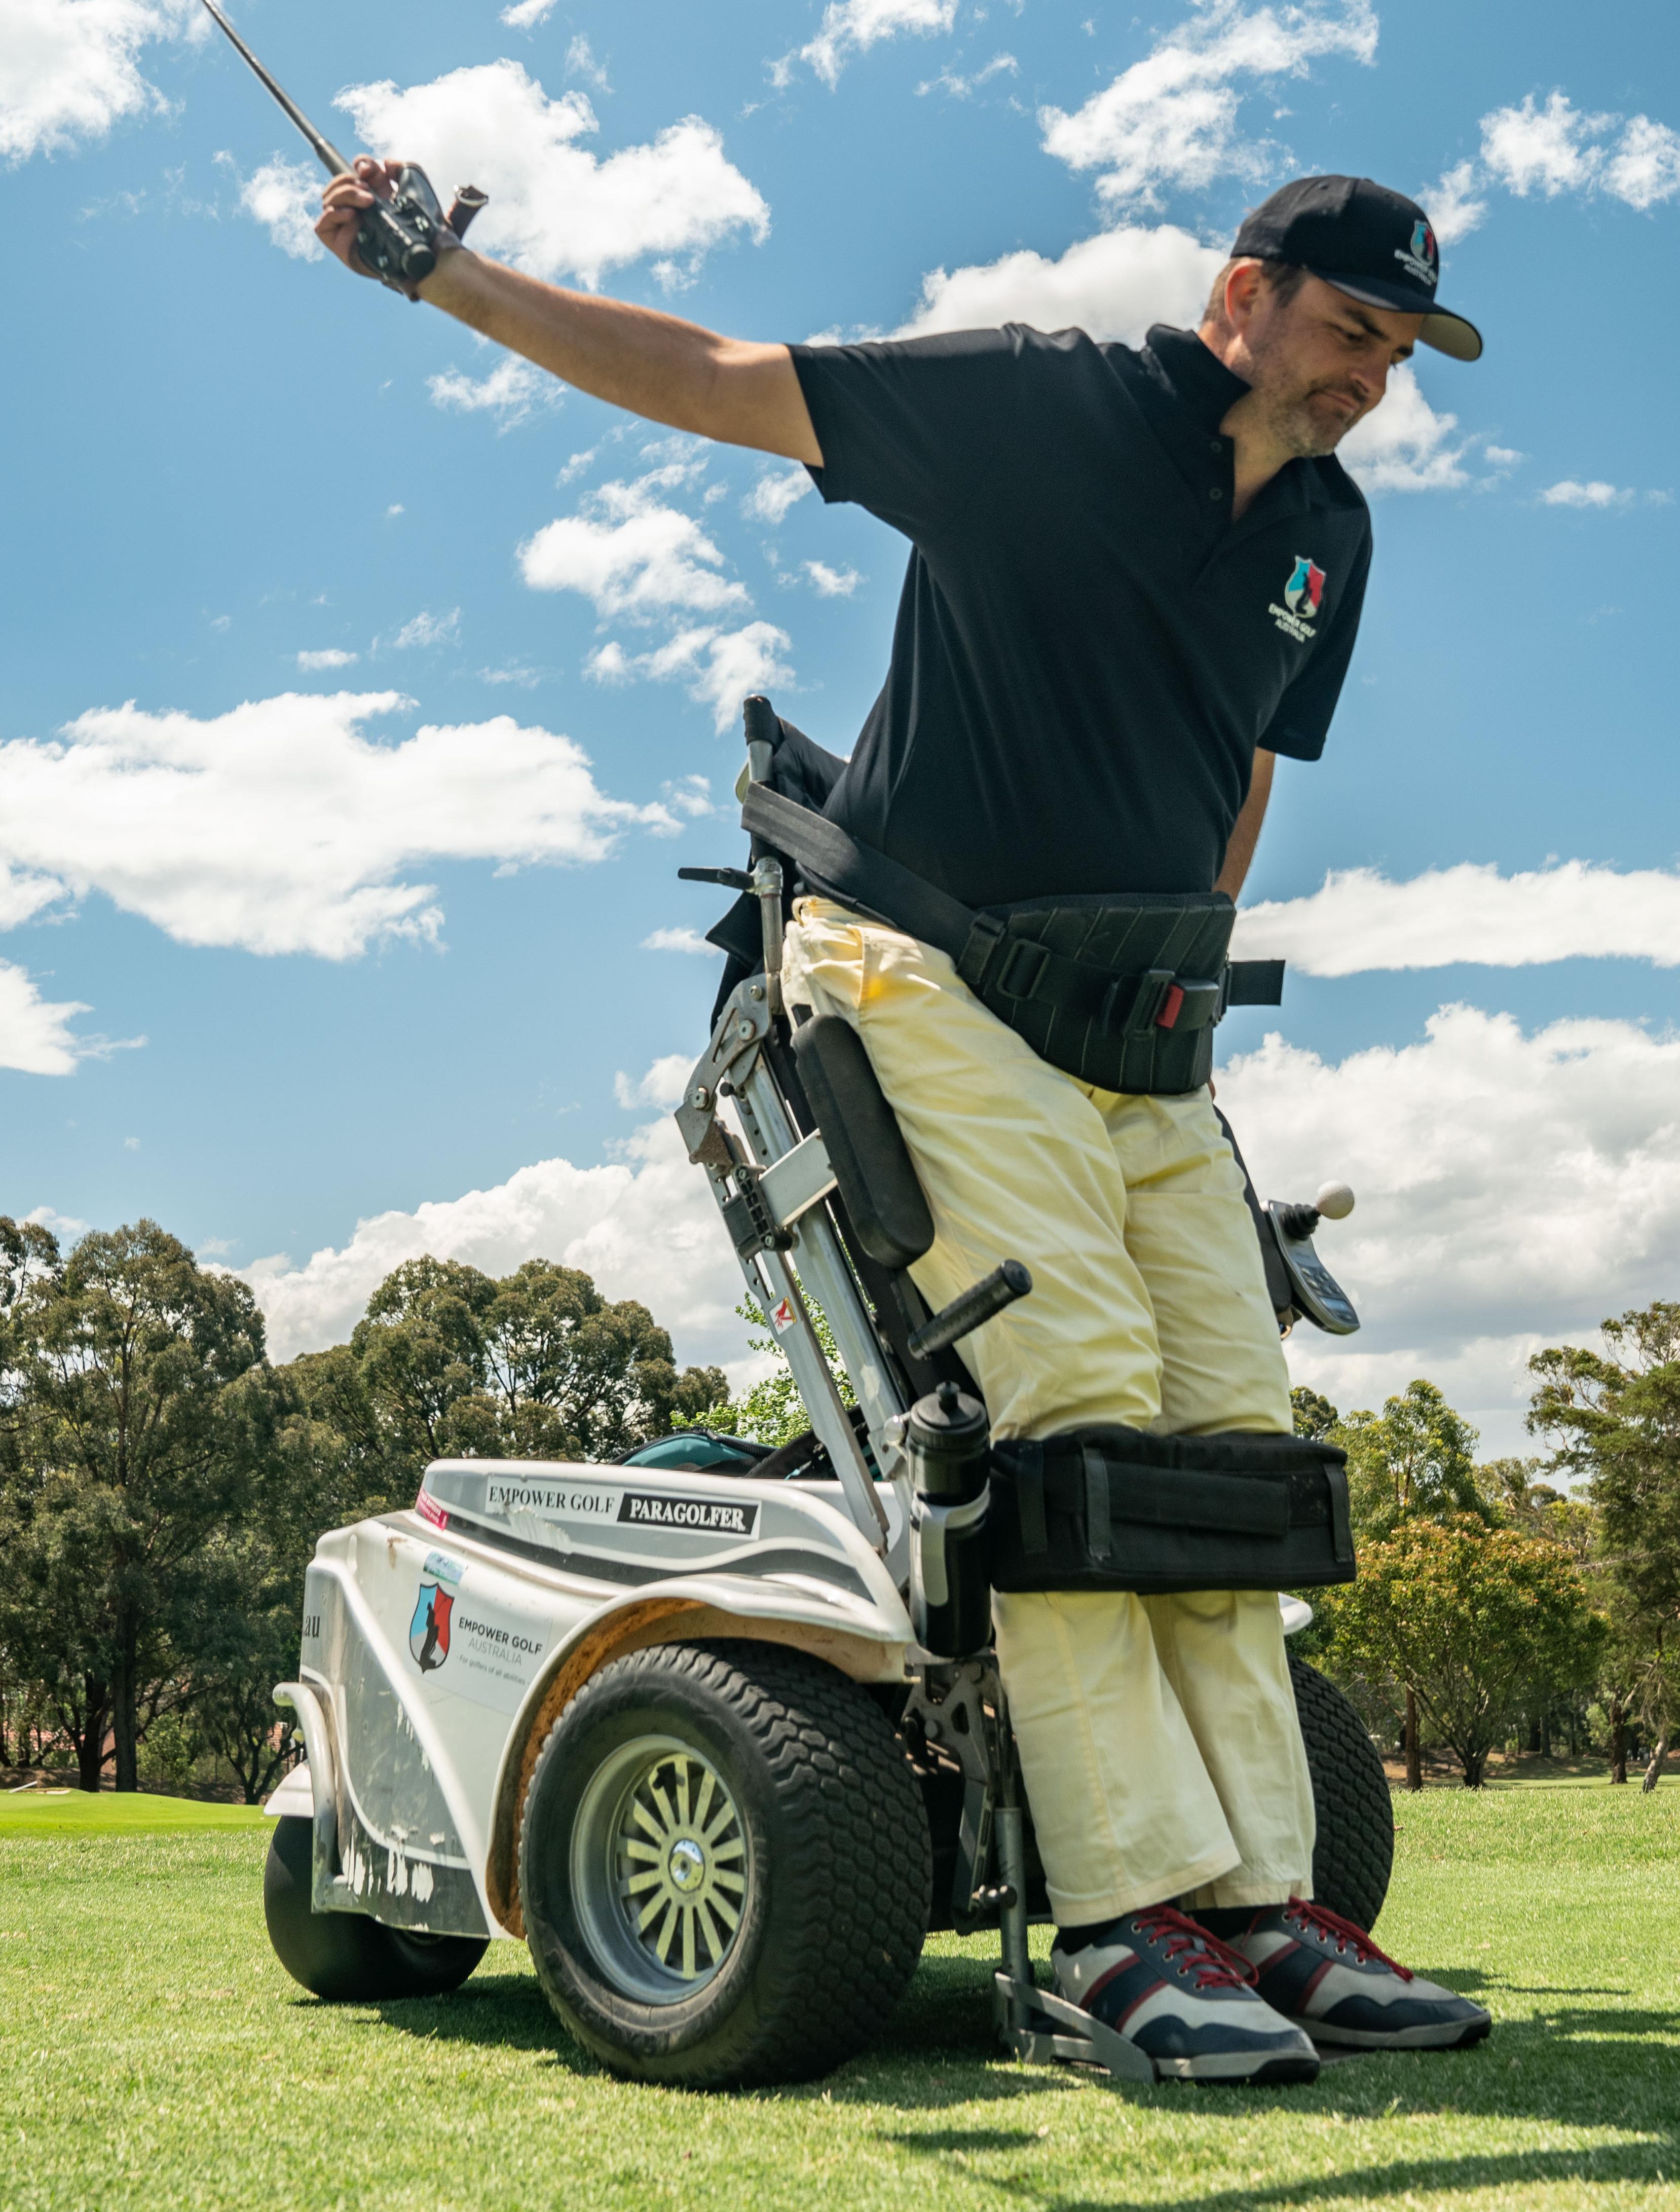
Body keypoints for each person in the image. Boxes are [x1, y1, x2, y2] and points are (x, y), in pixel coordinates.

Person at [315, 164, 1492, 2080]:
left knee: (1230, 1441)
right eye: (1352, 328)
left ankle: (1263, 1903)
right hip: (924, 969)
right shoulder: (1047, 409)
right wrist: (442, 275)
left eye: (1401, 350)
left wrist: (1182, 981)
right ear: (1244, 295)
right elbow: (714, 373)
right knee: (1076, 1415)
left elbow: (1238, 781)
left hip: (1140, 1022)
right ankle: (1117, 1926)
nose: (1373, 376)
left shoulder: (1331, 537)